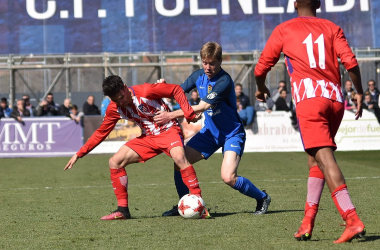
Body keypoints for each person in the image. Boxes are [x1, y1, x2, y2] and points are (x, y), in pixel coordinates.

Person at [254, 0, 365, 243]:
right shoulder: (331, 27)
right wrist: (359, 92)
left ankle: (352, 219)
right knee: (315, 158)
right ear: (319, 3)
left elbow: (260, 69)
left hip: (310, 99)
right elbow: (352, 63)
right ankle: (307, 222)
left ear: (294, 3)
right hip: (334, 100)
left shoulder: (284, 29)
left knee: (324, 157)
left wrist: (261, 89)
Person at [64, 75, 206, 220]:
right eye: (115, 100)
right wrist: (79, 153)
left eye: (121, 97)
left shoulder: (145, 91)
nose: (121, 102)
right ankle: (123, 210)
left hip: (168, 130)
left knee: (180, 158)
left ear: (125, 87)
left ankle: (199, 205)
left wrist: (188, 113)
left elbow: (175, 89)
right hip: (148, 137)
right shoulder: (114, 108)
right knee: (115, 162)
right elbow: (101, 133)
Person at [154, 42, 271, 217]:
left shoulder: (224, 81)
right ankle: (184, 205)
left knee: (228, 177)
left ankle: (262, 198)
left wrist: (170, 115)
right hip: (210, 133)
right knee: (180, 161)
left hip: (232, 134)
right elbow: (176, 91)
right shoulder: (198, 76)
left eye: (212, 63)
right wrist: (162, 87)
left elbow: (202, 107)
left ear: (220, 61)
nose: (208, 67)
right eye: (205, 62)